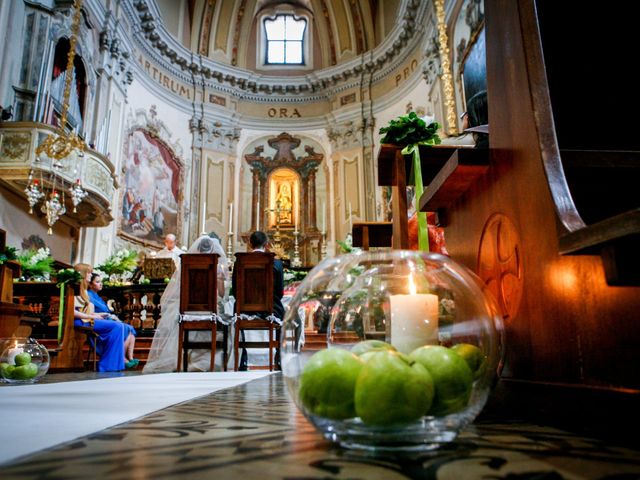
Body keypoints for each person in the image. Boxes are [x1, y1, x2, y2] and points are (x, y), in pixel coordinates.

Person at [143, 235, 232, 373]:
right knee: (226, 322)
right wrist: (220, 279)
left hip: (188, 311)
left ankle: (182, 360)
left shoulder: (187, 267)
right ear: (213, 249)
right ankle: (206, 361)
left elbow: (181, 290)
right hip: (209, 312)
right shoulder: (217, 269)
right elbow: (221, 294)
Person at [232, 230, 284, 370]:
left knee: (235, 308)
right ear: (266, 244)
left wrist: (249, 303)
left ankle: (243, 359)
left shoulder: (240, 262)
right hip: (271, 310)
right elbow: (280, 292)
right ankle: (278, 358)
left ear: (250, 244)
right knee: (283, 310)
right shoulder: (276, 263)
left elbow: (235, 290)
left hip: (244, 310)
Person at [73, 263, 127, 372]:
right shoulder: (75, 289)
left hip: (86, 319)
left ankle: (110, 364)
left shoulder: (83, 290)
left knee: (119, 327)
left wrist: (97, 315)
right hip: (80, 321)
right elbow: (73, 312)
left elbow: (84, 310)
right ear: (83, 274)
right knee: (117, 327)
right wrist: (91, 316)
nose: (90, 275)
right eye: (88, 273)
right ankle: (107, 365)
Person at [88, 273, 139, 369]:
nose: (101, 284)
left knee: (130, 328)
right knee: (124, 327)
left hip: (108, 320)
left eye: (101, 282)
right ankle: (123, 359)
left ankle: (130, 358)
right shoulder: (88, 295)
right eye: (97, 282)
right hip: (100, 323)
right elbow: (91, 312)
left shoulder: (98, 296)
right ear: (90, 284)